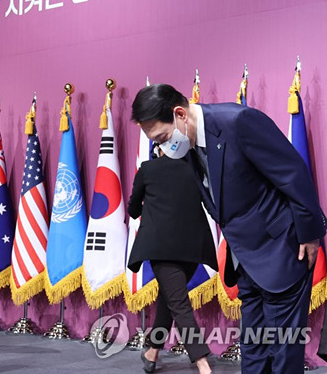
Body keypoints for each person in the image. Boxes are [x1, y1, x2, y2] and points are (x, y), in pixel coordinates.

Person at [131, 84, 326, 374]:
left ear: (180, 113)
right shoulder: (189, 145)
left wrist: (310, 233)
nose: (161, 147)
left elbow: (292, 172)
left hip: (281, 251)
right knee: (253, 351)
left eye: (162, 137)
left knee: (284, 352)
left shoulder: (238, 122)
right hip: (245, 260)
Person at [127, 145, 216, 374]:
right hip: (192, 249)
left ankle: (203, 364)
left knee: (177, 303)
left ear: (159, 148)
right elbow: (210, 204)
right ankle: (152, 352)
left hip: (162, 249)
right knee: (169, 300)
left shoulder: (148, 169)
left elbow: (133, 210)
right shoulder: (195, 170)